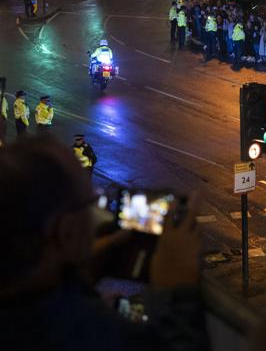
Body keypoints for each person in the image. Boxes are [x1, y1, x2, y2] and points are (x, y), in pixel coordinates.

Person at [0, 139, 206, 350]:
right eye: (92, 202)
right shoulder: (90, 336)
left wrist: (80, 281)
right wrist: (177, 294)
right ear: (67, 232)